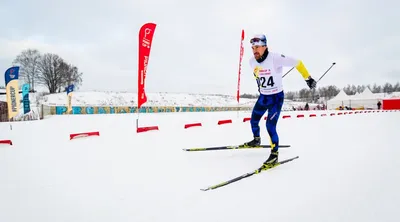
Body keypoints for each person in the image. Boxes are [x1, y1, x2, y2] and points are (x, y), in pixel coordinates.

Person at [242, 34, 317, 172]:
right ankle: (256, 139)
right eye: (253, 48)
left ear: (265, 46)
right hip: (263, 97)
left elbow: (298, 62)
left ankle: (274, 155)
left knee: (270, 125)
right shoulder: (252, 61)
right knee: (253, 120)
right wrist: (258, 80)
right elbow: (257, 74)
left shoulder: (275, 58)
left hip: (276, 98)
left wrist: (308, 78)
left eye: (257, 47)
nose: (254, 50)